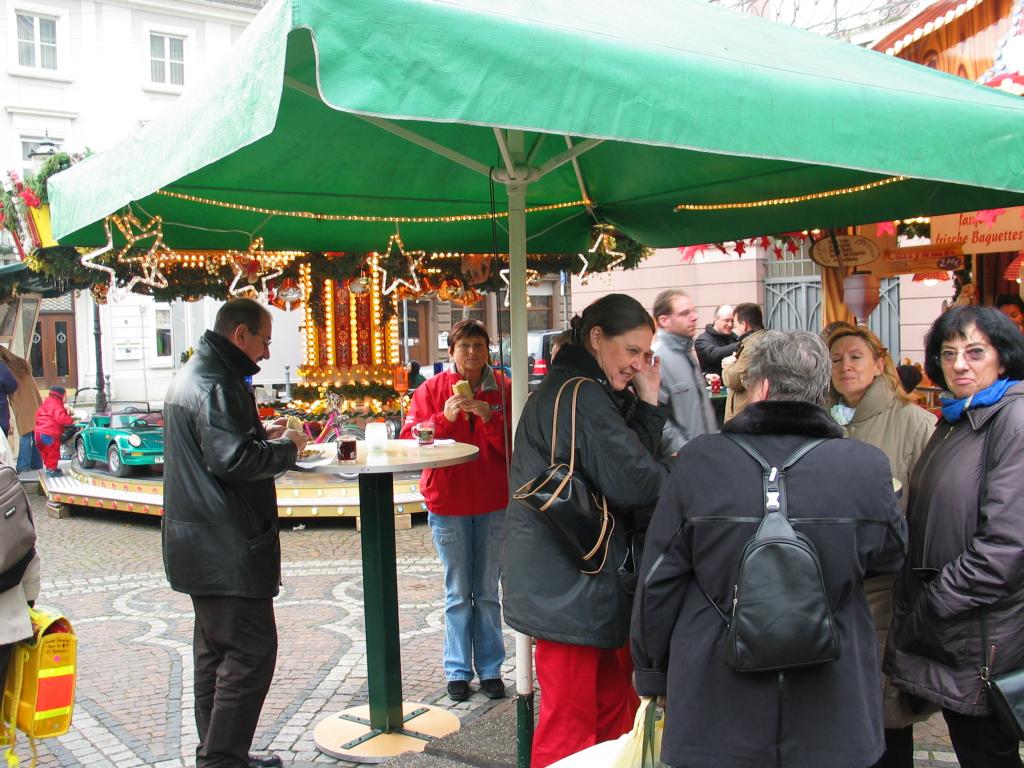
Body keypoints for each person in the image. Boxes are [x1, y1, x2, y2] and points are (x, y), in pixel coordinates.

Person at [632, 330, 906, 768]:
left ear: (759, 388)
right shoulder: (866, 465)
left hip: (714, 692)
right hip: (831, 697)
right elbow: (891, 554)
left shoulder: (700, 461)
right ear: (821, 391)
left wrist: (652, 671)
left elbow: (658, 578)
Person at [503, 294, 669, 768]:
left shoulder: (572, 387)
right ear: (597, 338)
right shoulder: (582, 393)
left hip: (568, 576)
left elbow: (619, 457)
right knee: (576, 721)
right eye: (632, 351)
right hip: (570, 580)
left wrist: (648, 403)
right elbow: (636, 478)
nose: (639, 364)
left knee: (604, 710)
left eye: (645, 354)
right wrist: (691, 489)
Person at [162, 298, 308, 768]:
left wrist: (262, 430)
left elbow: (218, 444)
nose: (266, 352)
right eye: (264, 340)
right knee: (249, 655)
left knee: (215, 656)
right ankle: (221, 759)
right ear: (240, 334)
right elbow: (233, 460)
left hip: (198, 545)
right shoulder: (217, 382)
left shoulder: (197, 373)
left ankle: (221, 753)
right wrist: (286, 448)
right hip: (226, 547)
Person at [885, 306, 1024, 768]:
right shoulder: (956, 418)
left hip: (982, 631)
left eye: (975, 352)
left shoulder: (1013, 420)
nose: (960, 364)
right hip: (952, 629)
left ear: (1002, 359)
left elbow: (1005, 547)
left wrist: (934, 603)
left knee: (988, 752)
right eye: (949, 353)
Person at [826, 325, 935, 768]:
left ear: (878, 363)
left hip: (887, 587)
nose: (845, 366)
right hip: (830, 586)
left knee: (884, 710)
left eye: (855, 356)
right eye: (836, 359)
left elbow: (928, 510)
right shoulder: (823, 421)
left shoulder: (914, 422)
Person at [400, 320, 512, 701]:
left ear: (488, 351)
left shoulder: (505, 390)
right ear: (451, 352)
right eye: (464, 346)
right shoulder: (431, 390)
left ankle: (492, 668)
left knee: (487, 590)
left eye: (478, 345)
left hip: (494, 503)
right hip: (448, 504)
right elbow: (410, 442)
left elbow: (516, 447)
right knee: (457, 591)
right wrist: (442, 419)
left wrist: (489, 418)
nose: (472, 353)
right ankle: (458, 670)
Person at [651, 289, 716, 455]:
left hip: (707, 454)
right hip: (686, 461)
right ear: (664, 320)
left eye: (694, 311)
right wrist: (683, 449)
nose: (694, 317)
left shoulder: (686, 353)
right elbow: (656, 417)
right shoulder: (657, 359)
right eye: (685, 313)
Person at [721, 302, 766, 421]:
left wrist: (729, 364)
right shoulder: (764, 339)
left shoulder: (752, 345)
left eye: (735, 326)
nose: (733, 330)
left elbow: (733, 380)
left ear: (745, 325)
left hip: (745, 416)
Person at [0, 347, 42, 473]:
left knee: (25, 435)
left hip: (21, 402)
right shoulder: (19, 363)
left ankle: (23, 466)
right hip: (34, 400)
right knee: (35, 433)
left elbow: (10, 386)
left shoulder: (8, 368)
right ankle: (37, 463)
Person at [34, 387, 73, 477]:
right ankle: (52, 471)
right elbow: (61, 419)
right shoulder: (57, 404)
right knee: (53, 452)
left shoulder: (45, 403)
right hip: (49, 434)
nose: (66, 398)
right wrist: (70, 420)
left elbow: (37, 415)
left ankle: (49, 468)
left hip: (38, 434)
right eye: (65, 395)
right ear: (61, 396)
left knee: (45, 452)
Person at [694, 303, 740, 377]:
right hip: (714, 386)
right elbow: (715, 354)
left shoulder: (734, 337)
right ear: (715, 319)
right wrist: (740, 346)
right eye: (726, 320)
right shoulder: (702, 340)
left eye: (732, 321)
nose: (730, 324)